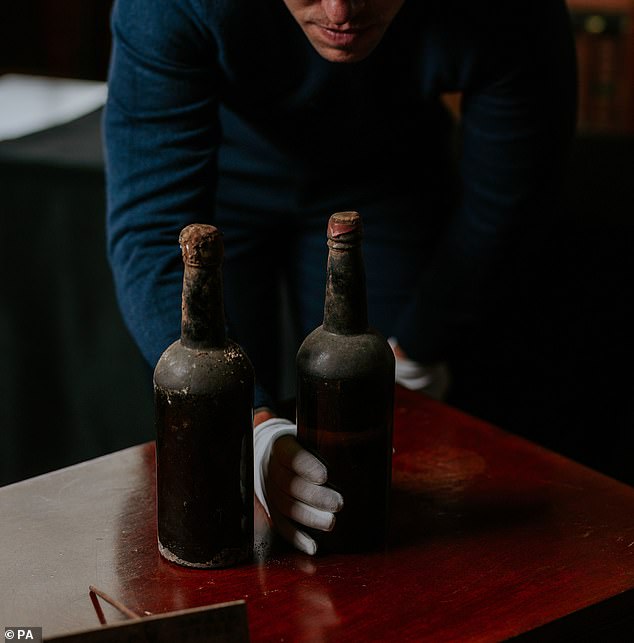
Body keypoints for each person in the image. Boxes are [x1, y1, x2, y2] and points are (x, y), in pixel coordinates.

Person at [104, 0, 577, 554]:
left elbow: (512, 199)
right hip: (219, 170)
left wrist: (424, 340)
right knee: (215, 455)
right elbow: (152, 228)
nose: (339, 10)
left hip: (389, 172)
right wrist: (254, 427)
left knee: (386, 464)